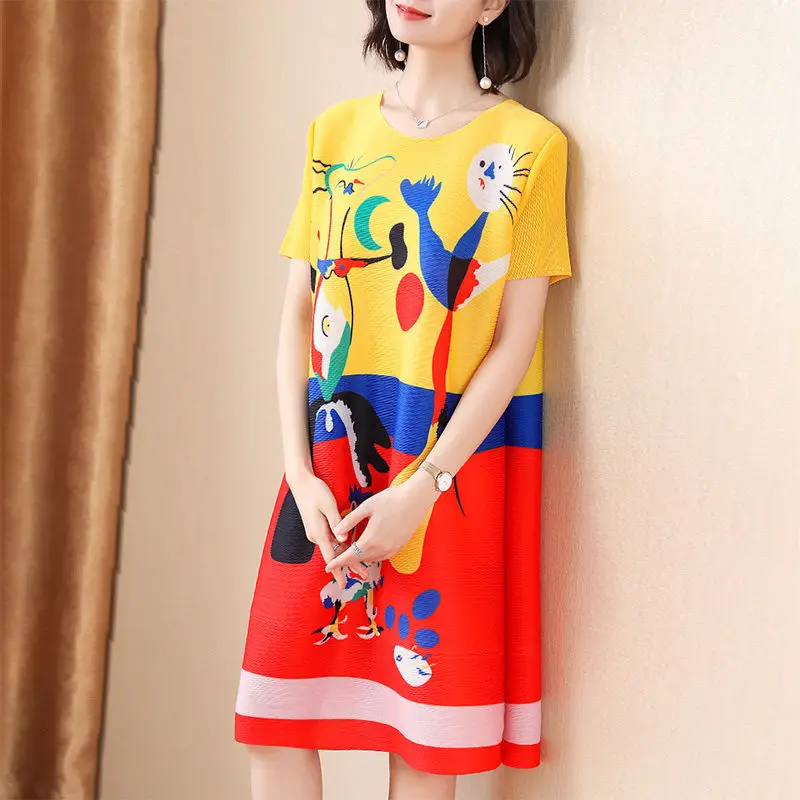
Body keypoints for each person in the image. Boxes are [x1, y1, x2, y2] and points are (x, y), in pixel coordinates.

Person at [234, 1, 572, 798]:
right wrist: (300, 474)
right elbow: (298, 316)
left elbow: (513, 345)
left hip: (442, 477)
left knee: (423, 747)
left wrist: (425, 488)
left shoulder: (528, 147)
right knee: (275, 719)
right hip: (326, 474)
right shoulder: (334, 133)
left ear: (492, 4)